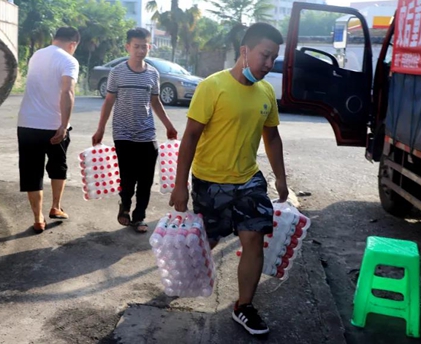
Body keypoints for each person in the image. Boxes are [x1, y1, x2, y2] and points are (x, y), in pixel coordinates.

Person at [169, 22, 288, 336]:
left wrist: (280, 179)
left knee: (253, 238)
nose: (268, 64)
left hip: (249, 179)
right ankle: (181, 275)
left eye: (273, 58)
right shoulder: (213, 86)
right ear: (245, 51)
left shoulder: (266, 92)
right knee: (207, 239)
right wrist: (180, 184)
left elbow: (272, 138)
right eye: (264, 55)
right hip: (210, 181)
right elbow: (191, 137)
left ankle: (243, 306)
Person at [92, 27, 177, 233]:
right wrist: (100, 128)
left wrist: (169, 125)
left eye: (144, 46)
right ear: (128, 47)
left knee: (146, 180)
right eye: (136, 46)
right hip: (123, 134)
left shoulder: (152, 74)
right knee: (127, 177)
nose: (140, 50)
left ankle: (139, 217)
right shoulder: (117, 72)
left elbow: (156, 102)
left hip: (147, 134)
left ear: (150, 46)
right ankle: (125, 206)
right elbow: (109, 101)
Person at [17, 27, 80, 234]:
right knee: (58, 167)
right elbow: (67, 91)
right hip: (53, 125)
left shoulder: (36, 55)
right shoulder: (69, 61)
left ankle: (38, 219)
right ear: (73, 44)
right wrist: (64, 124)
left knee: (31, 172)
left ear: (54, 39)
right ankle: (56, 206)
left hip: (27, 123)